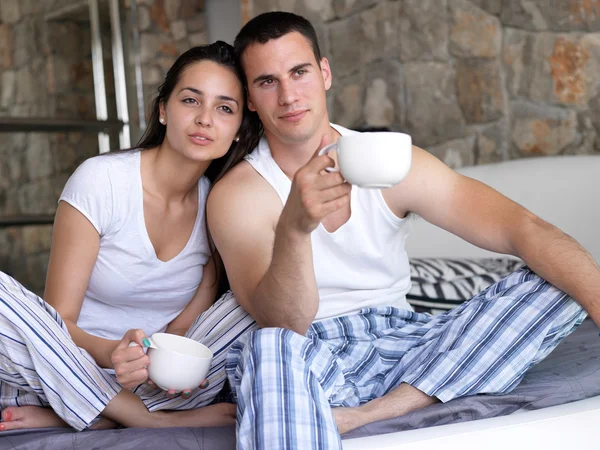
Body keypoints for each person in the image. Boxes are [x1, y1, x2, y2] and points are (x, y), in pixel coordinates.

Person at [206, 11, 600, 449]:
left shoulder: (389, 159)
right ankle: (392, 402)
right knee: (269, 348)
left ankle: (373, 413)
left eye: (299, 72)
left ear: (325, 72)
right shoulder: (237, 194)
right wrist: (295, 229)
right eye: (266, 82)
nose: (288, 95)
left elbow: (522, 228)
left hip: (405, 343)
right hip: (312, 355)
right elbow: (283, 322)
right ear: (252, 100)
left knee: (559, 278)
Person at [0, 41, 259, 432]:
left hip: (157, 386)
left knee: (257, 302)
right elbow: (57, 322)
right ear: (163, 110)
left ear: (239, 131)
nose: (205, 119)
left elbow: (184, 328)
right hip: (64, 367)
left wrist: (169, 364)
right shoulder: (101, 180)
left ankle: (92, 415)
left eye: (225, 108)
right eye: (191, 100)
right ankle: (132, 417)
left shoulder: (221, 204)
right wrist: (115, 354)